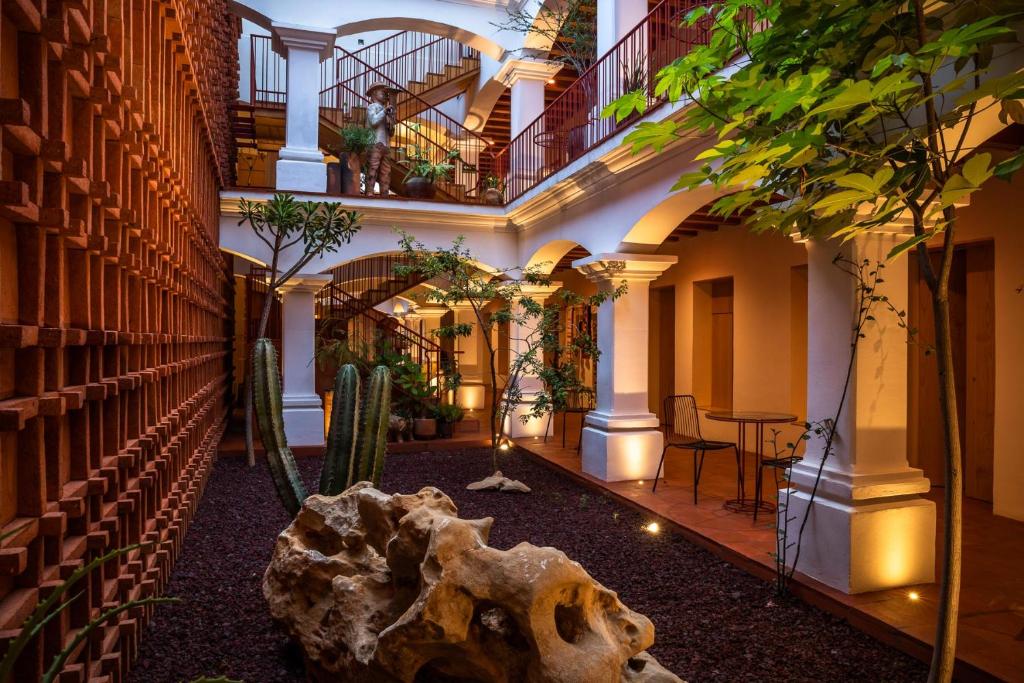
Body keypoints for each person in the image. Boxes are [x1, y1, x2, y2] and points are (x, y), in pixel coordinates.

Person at [364, 82, 395, 196]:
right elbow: (373, 121)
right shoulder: (372, 107)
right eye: (382, 91)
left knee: (386, 171)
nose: (384, 94)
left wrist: (391, 123)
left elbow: (391, 133)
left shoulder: (385, 109)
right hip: (375, 143)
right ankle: (369, 191)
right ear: (374, 93)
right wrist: (384, 112)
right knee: (373, 168)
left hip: (385, 145)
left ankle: (385, 193)